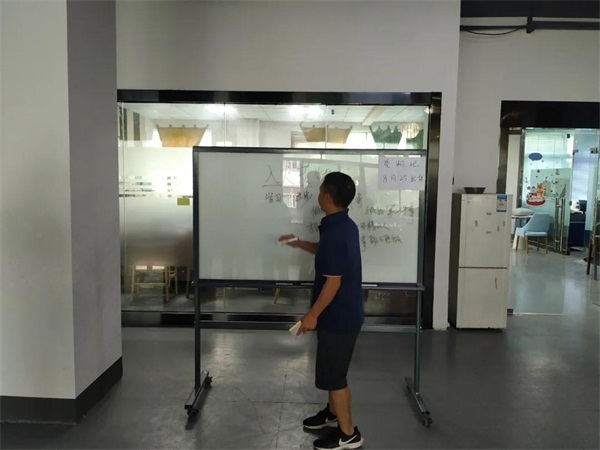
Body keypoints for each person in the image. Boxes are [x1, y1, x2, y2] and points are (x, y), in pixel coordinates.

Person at [279, 171, 364, 450]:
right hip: (338, 314)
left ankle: (348, 434)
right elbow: (325, 252)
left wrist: (312, 315)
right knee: (330, 369)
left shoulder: (337, 232)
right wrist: (299, 243)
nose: (317, 195)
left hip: (339, 317)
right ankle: (332, 414)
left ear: (327, 197)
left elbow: (333, 282)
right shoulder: (340, 225)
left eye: (319, 191)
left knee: (335, 375)